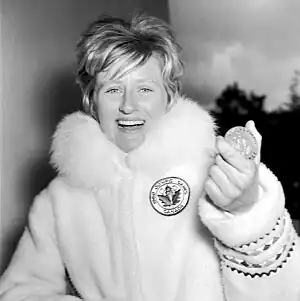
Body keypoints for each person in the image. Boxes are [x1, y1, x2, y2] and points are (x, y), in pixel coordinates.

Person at [0, 12, 299, 301]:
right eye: (113, 89)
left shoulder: (215, 174)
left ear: (169, 97)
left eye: (144, 88)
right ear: (92, 102)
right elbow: (19, 290)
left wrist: (247, 214)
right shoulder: (57, 201)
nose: (129, 105)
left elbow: (286, 291)